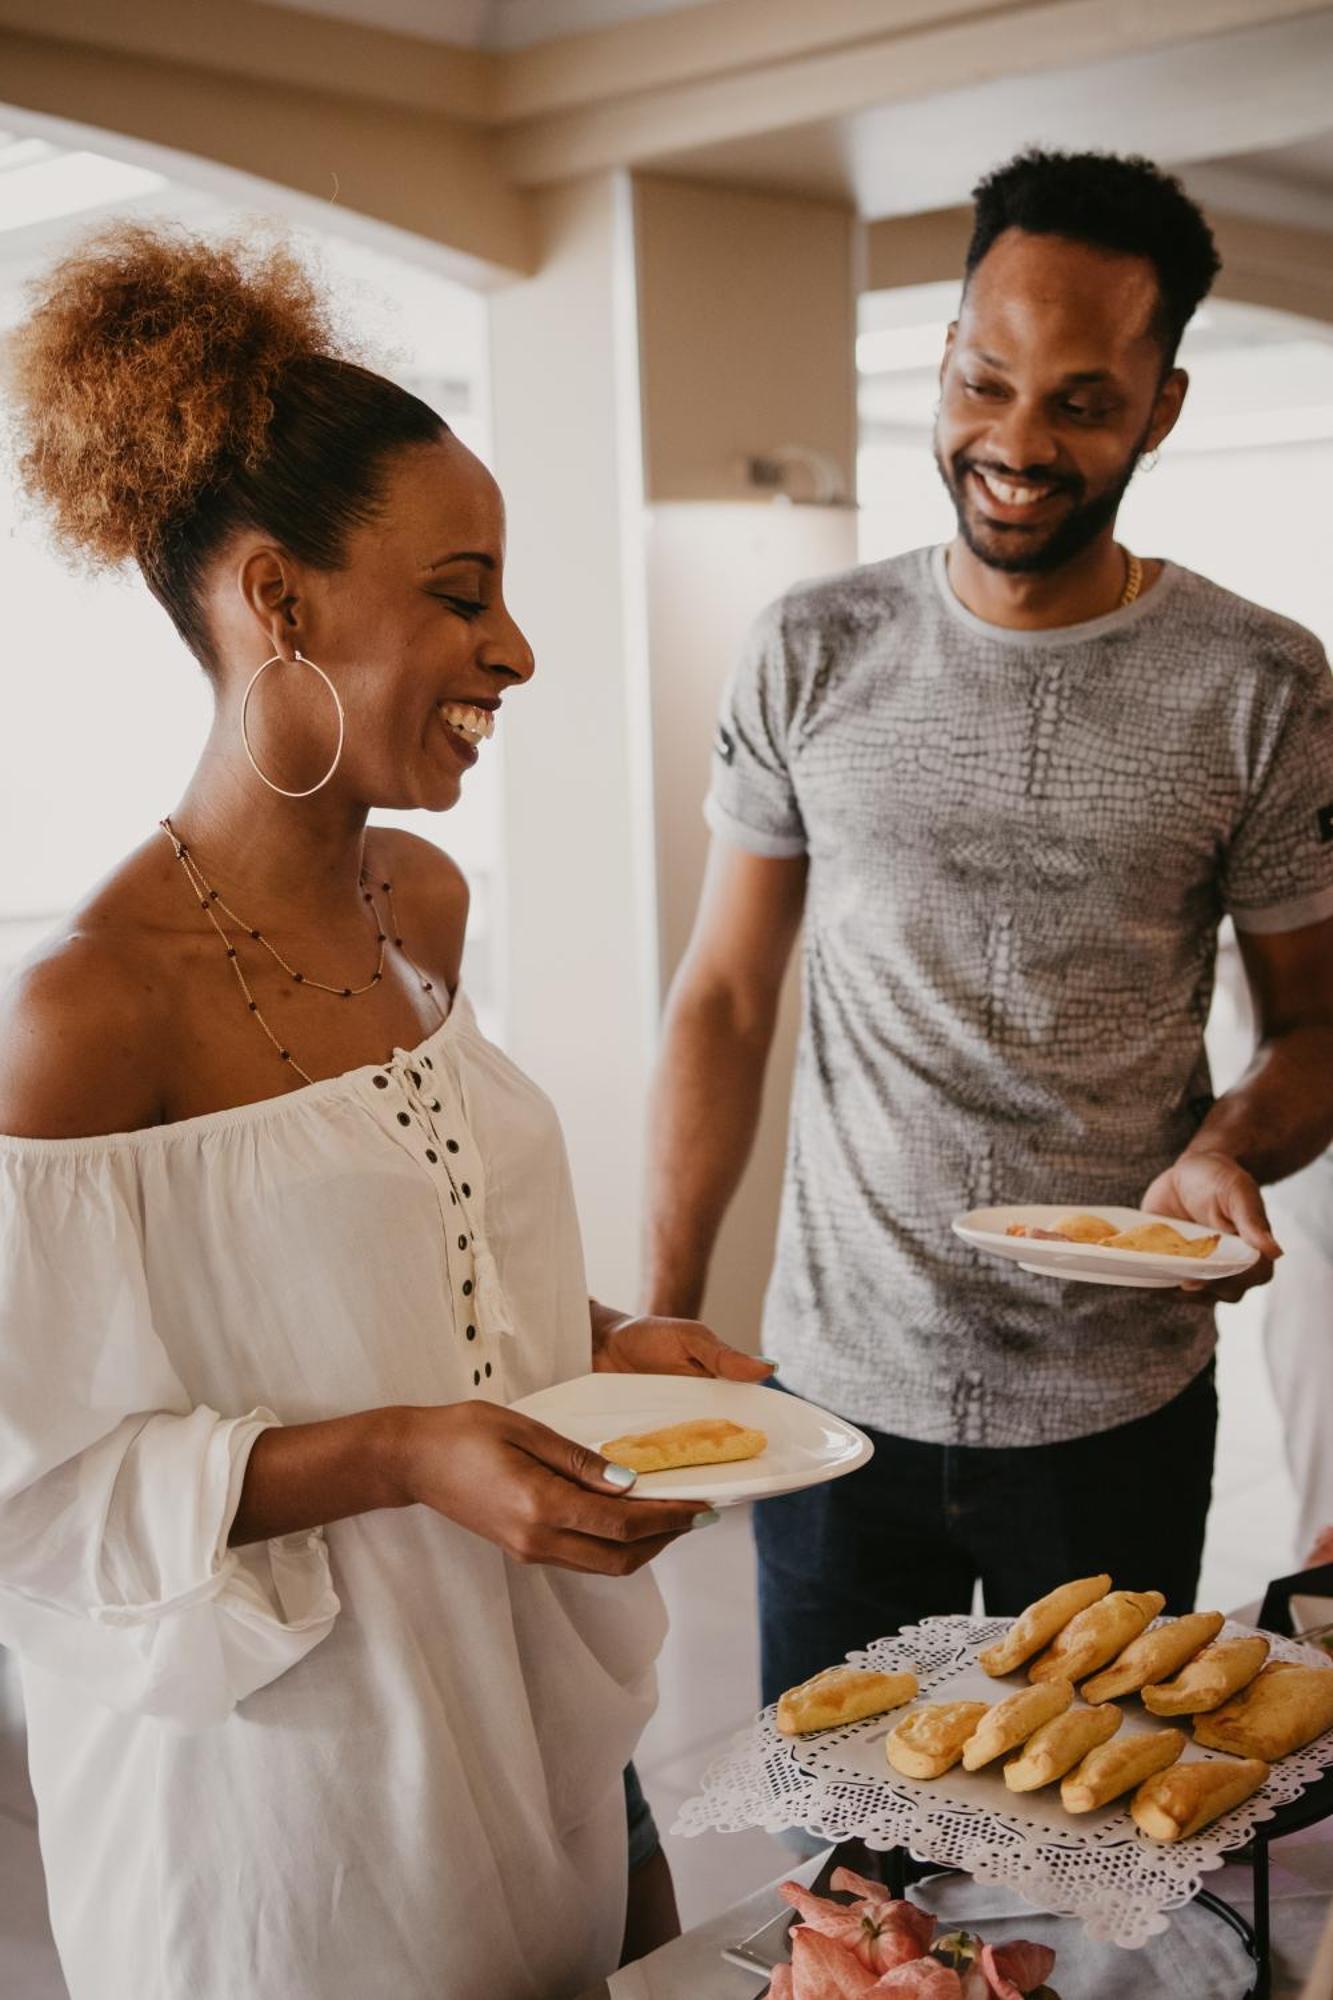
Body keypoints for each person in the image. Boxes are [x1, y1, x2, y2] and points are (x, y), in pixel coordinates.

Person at [0, 225, 772, 2000]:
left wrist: (599, 1352)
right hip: (286, 1810)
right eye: (460, 591)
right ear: (277, 602)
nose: (515, 649)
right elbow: (39, 1491)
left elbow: (410, 1282)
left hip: (526, 1708)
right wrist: (402, 1457)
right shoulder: (85, 1013)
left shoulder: (419, 901)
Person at [643, 150, 1333, 1709]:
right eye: (983, 381)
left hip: (1113, 1404)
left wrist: (1231, 1147)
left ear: (1159, 407)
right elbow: (727, 999)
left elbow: (1317, 1023)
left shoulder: (1263, 683)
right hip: (831, 1393)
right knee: (840, 1869)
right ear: (945, 359)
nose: (1013, 443)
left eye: (1081, 402)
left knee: (1086, 1866)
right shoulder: (808, 647)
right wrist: (669, 1305)